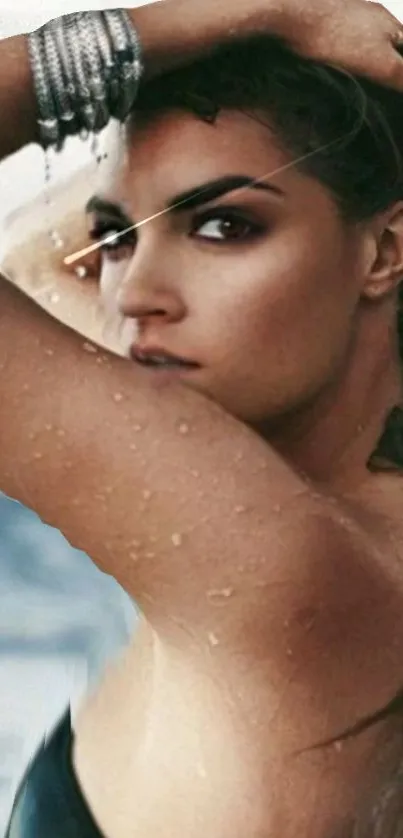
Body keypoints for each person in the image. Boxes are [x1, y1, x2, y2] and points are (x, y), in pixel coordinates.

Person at [2, 1, 403, 836]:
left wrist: (252, 17)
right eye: (113, 237)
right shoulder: (340, 516)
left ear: (385, 252)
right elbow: (37, 263)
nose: (133, 296)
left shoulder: (282, 563)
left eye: (226, 225)